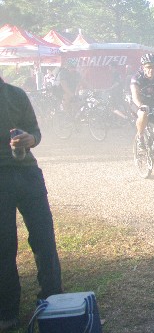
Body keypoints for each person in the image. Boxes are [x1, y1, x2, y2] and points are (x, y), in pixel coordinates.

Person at [0, 75, 63, 331]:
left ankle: (53, 300)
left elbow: (35, 130)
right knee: (4, 245)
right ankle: (7, 310)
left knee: (44, 238)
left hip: (28, 173)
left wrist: (30, 139)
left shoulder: (16, 94)